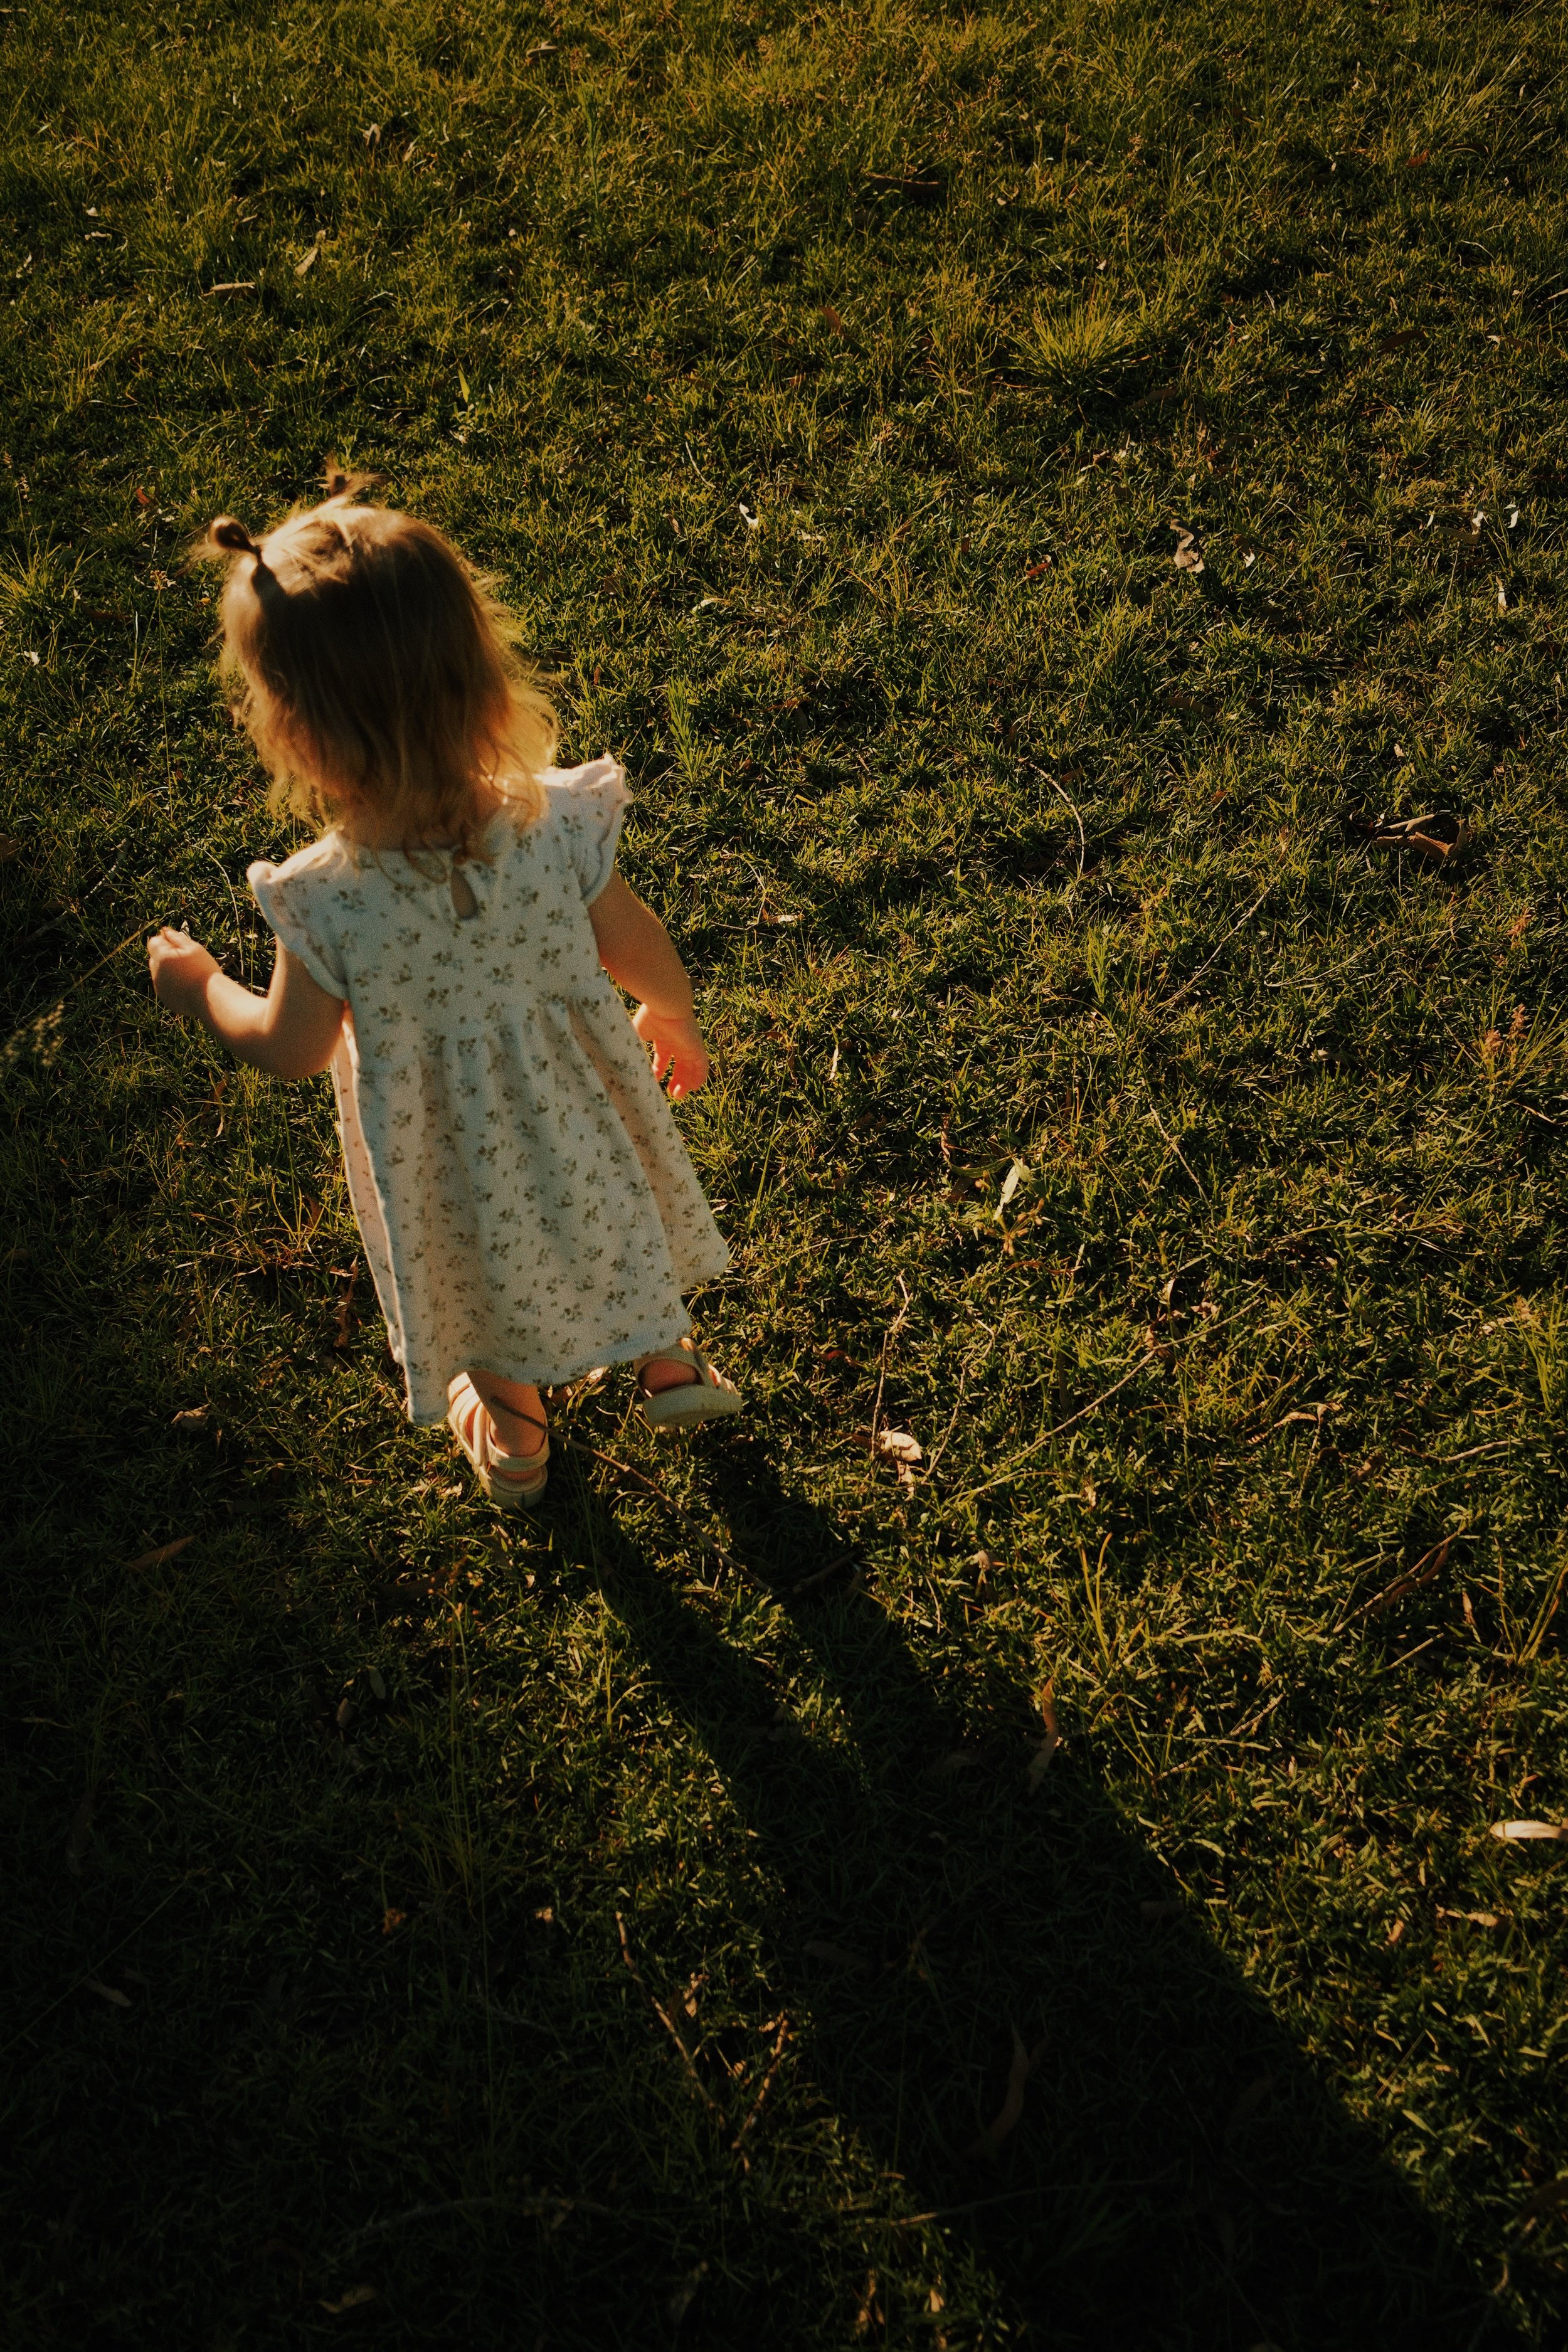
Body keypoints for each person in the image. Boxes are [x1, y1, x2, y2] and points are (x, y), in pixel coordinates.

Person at [147, 473, 739, 1510]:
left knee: (474, 1262)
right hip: (578, 1095)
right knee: (606, 1203)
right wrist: (672, 1013)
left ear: (295, 735)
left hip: (439, 1143)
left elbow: (288, 1046)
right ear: (481, 673)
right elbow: (636, 945)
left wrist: (202, 988)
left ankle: (514, 1429)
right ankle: (669, 1366)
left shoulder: (326, 900)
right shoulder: (555, 824)